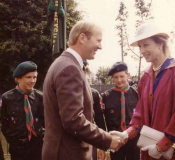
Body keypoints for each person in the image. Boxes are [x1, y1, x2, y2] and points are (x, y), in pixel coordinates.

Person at [111, 23, 175, 160]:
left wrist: (162, 146)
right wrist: (127, 133)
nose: (141, 50)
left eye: (146, 45)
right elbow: (140, 114)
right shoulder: (146, 76)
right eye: (140, 46)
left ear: (160, 44)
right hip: (151, 149)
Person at [42, 20, 123, 160]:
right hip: (68, 154)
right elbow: (73, 120)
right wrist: (108, 140)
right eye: (98, 40)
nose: (100, 46)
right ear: (82, 38)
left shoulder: (64, 64)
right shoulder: (70, 68)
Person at [1, 61, 44, 160]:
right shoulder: (7, 98)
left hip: (37, 146)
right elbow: (4, 123)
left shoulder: (40, 97)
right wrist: (12, 140)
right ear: (18, 79)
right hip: (18, 147)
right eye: (28, 77)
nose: (32, 81)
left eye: (35, 77)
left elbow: (45, 121)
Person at [98, 62, 140, 160]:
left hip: (133, 140)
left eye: (122, 76)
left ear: (128, 75)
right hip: (115, 141)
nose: (119, 80)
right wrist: (102, 144)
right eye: (116, 77)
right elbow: (102, 122)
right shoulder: (106, 96)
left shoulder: (137, 95)